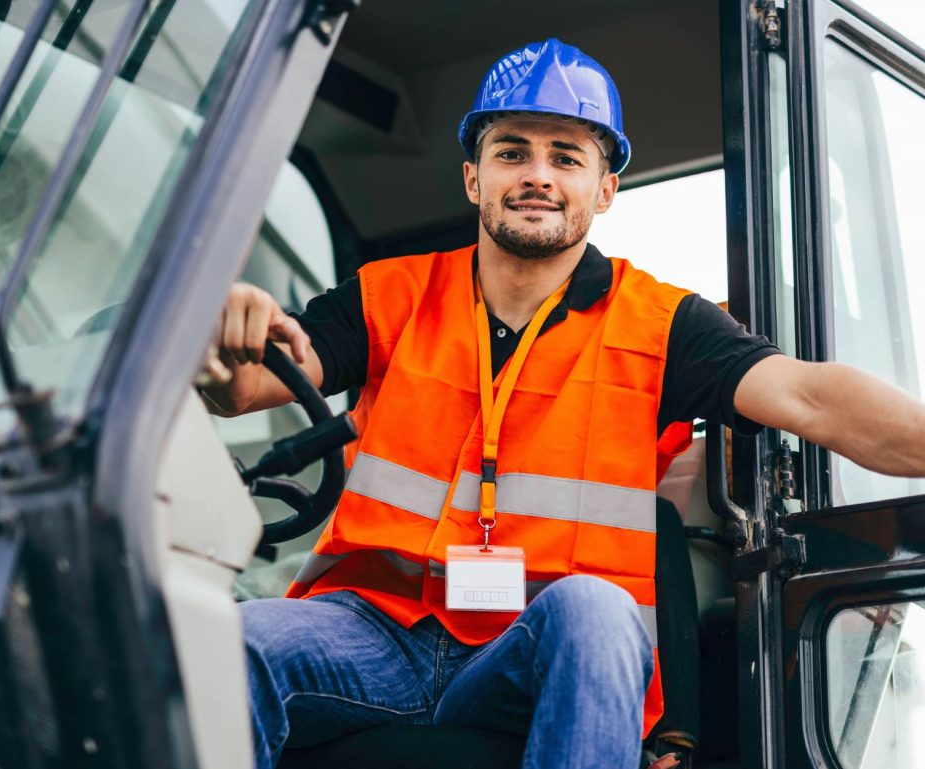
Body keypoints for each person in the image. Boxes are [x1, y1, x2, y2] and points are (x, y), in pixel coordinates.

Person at [200, 38, 925, 769]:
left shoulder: (662, 324)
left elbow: (809, 396)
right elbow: (250, 384)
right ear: (473, 179)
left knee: (599, 609)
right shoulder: (391, 294)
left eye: (566, 157)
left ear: (604, 188)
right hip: (370, 632)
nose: (537, 175)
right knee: (235, 641)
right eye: (511, 152)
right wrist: (224, 335)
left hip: (531, 643)